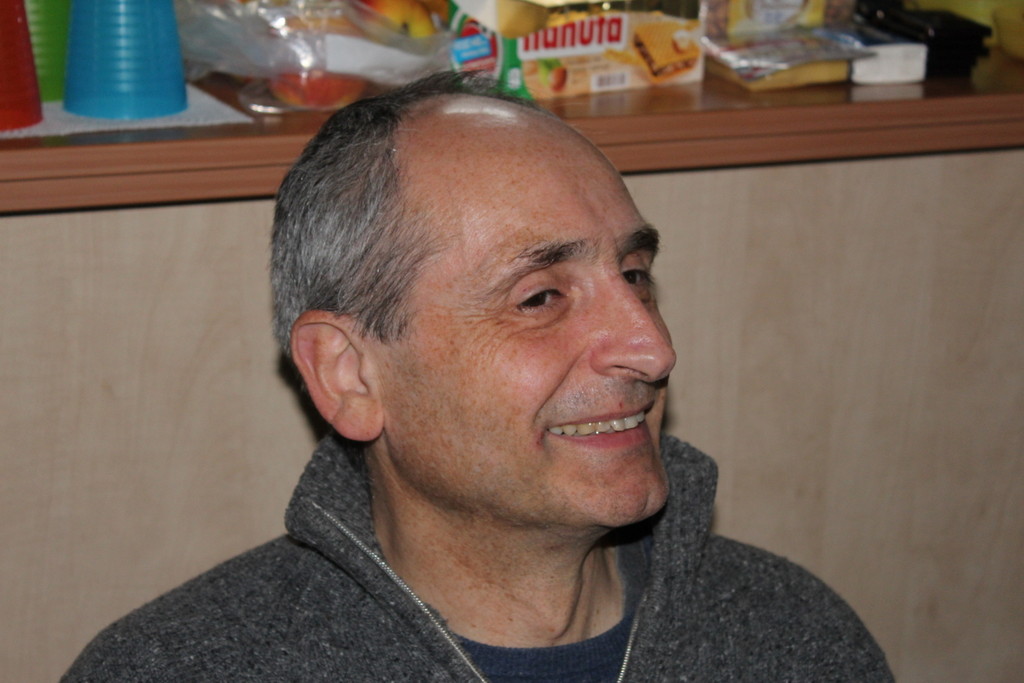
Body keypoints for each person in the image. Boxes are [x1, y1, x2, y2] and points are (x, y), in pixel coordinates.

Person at [63, 72, 893, 681]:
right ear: (350, 375)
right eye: (540, 297)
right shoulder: (170, 667)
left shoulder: (796, 638)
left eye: (635, 275)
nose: (651, 347)